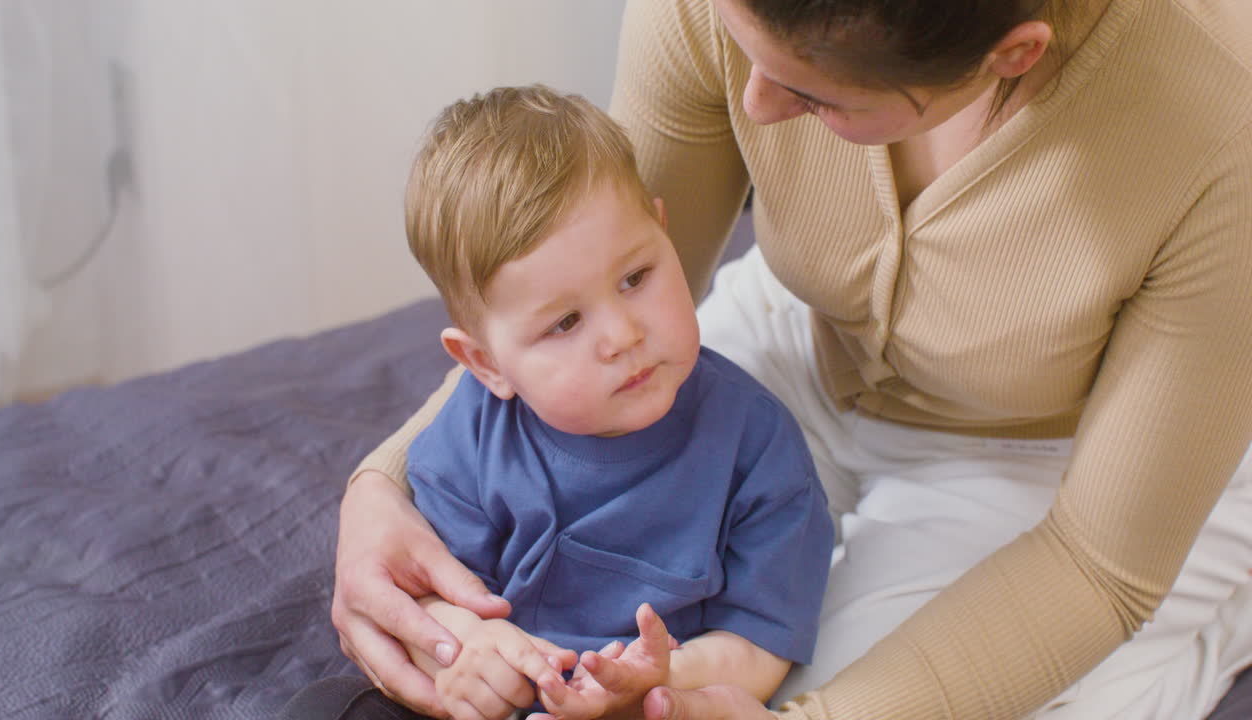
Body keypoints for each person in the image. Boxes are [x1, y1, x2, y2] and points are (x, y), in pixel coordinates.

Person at [329, 0, 1252, 718]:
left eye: (814, 96)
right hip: (800, 336)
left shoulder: (1217, 131)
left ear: (1014, 54)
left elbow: (1095, 564)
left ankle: (1220, 601)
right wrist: (382, 485)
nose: (756, 107)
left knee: (825, 683)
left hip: (1051, 456)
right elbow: (573, 292)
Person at [292, 85, 832, 720]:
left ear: (664, 232)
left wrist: (657, 680)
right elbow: (429, 595)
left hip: (653, 707)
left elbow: (763, 640)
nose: (622, 335)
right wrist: (467, 650)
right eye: (566, 323)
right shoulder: (473, 435)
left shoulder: (757, 446)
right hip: (500, 701)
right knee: (327, 706)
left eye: (636, 278)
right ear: (487, 365)